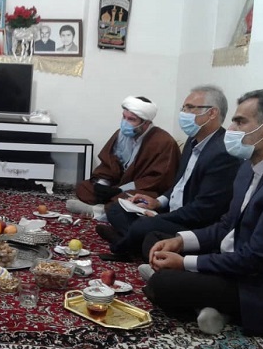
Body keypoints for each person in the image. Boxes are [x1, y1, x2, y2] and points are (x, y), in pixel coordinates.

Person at [143, 89, 263, 336]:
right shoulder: (248, 168)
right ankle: (209, 305)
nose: (231, 128)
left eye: (240, 122)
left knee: (162, 283)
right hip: (230, 259)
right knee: (158, 239)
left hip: (254, 282)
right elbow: (227, 226)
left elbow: (254, 259)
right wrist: (180, 241)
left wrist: (185, 263)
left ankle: (214, 303)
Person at [97, 86, 242, 262]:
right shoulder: (193, 139)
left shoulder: (223, 153)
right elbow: (180, 183)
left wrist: (160, 217)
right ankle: (135, 240)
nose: (184, 113)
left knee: (144, 225)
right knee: (117, 209)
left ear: (212, 113)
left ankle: (123, 245)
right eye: (184, 108)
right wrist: (157, 202)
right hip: (171, 211)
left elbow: (203, 210)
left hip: (192, 223)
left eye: (190, 108)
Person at [67, 96, 180, 216]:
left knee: (132, 198)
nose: (125, 122)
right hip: (117, 184)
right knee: (84, 187)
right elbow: (109, 163)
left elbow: (157, 180)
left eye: (131, 119)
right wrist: (103, 185)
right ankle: (107, 206)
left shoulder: (164, 142)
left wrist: (120, 189)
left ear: (146, 123)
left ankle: (100, 211)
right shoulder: (121, 134)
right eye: (124, 117)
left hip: (142, 189)